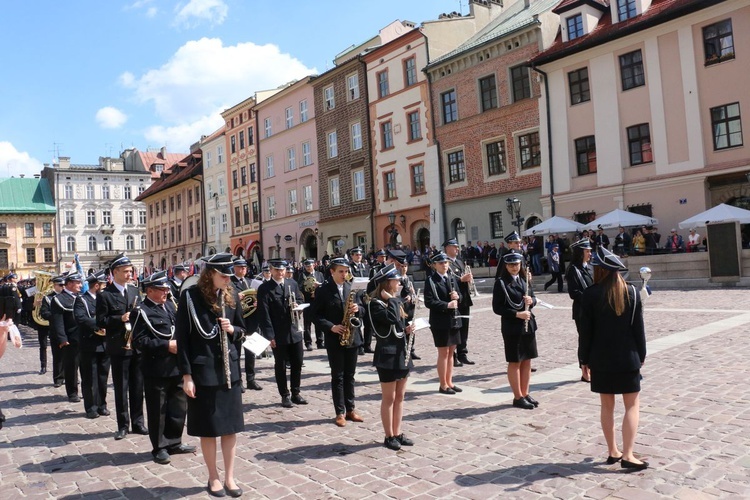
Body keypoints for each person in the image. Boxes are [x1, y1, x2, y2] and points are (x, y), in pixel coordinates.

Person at [176, 253, 246, 497]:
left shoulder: (232, 294)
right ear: (210, 274)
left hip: (229, 372)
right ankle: (213, 477)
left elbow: (242, 330)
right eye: (223, 275)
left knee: (230, 428)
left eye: (229, 275)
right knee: (208, 428)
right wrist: (187, 376)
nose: (228, 279)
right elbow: (183, 339)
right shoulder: (190, 297)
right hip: (203, 372)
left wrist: (233, 329)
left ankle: (229, 477)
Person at [579, 246, 648, 470]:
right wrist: (642, 356)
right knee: (631, 406)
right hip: (628, 357)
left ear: (599, 270)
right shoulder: (632, 292)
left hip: (600, 359)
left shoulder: (590, 294)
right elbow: (639, 330)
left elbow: (585, 332)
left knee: (607, 406)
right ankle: (628, 454)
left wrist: (584, 360)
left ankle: (613, 451)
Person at [132, 271, 196, 465]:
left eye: (167, 289)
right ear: (150, 290)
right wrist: (166, 346)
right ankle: (159, 447)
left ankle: (174, 441)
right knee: (158, 409)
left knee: (178, 407)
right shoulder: (140, 311)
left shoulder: (170, 305)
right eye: (162, 289)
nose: (166, 292)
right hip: (156, 368)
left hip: (176, 366)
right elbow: (140, 342)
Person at [96, 253, 147, 440]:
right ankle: (123, 425)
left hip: (136, 345)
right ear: (115, 272)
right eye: (125, 271)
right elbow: (101, 320)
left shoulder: (134, 291)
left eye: (130, 271)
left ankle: (138, 422)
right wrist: (120, 318)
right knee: (121, 387)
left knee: (137, 386)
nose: (129, 274)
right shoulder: (105, 295)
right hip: (119, 346)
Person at [312, 257, 365, 427]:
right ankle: (339, 412)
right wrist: (331, 327)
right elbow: (315, 315)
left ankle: (351, 409)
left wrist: (358, 309)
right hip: (335, 338)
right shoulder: (323, 290)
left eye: (346, 271)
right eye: (341, 271)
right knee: (338, 377)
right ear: (332, 272)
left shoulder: (352, 288)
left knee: (350, 375)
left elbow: (364, 308)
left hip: (352, 337)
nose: (344, 274)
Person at [368, 264, 416, 451]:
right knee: (389, 397)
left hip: (401, 352)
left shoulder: (393, 302)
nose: (399, 284)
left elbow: (398, 325)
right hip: (387, 356)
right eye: (396, 281)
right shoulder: (376, 304)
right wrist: (394, 301)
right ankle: (388, 435)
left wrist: (407, 330)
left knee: (401, 397)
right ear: (387, 283)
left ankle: (397, 432)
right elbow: (390, 320)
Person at [257, 259, 307, 408]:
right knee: (281, 365)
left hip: (294, 330)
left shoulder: (292, 283)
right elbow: (263, 314)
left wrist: (298, 304)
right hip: (278, 332)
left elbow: (299, 298)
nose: (280, 273)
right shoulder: (265, 288)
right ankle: (285, 395)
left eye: (283, 270)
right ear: (271, 270)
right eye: (277, 270)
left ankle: (296, 392)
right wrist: (269, 335)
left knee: (297, 362)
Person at [492, 250, 539, 410]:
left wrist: (531, 300)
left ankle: (525, 393)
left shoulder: (525, 280)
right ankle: (517, 396)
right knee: (515, 361)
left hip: (528, 324)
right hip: (513, 327)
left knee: (527, 360)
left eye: (517, 264)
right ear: (506, 266)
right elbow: (497, 308)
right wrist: (516, 314)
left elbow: (533, 299)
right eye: (511, 265)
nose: (514, 267)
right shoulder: (501, 283)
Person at [423, 252, 462, 394]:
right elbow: (429, 301)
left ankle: (450, 381)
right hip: (440, 321)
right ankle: (443, 384)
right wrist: (446, 305)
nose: (444, 265)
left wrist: (458, 297)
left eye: (446, 263)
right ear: (434, 265)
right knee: (443, 352)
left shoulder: (451, 277)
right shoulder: (431, 281)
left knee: (452, 352)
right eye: (441, 263)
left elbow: (460, 296)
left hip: (454, 319)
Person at [74, 271, 111, 418]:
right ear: (96, 286)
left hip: (105, 343)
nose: (106, 287)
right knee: (90, 378)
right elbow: (81, 318)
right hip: (89, 343)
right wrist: (99, 326)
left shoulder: (106, 299)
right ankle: (91, 407)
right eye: (103, 284)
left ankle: (102, 405)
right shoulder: (82, 300)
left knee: (103, 377)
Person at [50, 272, 83, 404]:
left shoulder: (80, 297)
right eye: (78, 283)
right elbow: (58, 321)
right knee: (71, 368)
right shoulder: (59, 299)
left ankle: (86, 391)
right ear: (69, 284)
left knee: (85, 367)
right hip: (70, 339)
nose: (81, 285)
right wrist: (62, 339)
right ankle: (72, 392)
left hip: (83, 338)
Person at [230, 257, 262, 392]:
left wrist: (256, 302)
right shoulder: (230, 283)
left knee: (250, 353)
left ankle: (251, 379)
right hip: (238, 321)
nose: (242, 270)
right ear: (234, 268)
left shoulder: (251, 282)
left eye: (244, 268)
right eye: (239, 267)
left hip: (251, 322)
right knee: (236, 352)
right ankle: (238, 381)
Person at [565, 238, 594, 383]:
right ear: (580, 252)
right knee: (584, 340)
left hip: (592, 310)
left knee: (593, 340)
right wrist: (590, 299)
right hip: (581, 311)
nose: (590, 253)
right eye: (587, 251)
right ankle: (584, 370)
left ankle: (592, 366)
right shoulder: (573, 270)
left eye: (590, 251)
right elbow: (574, 293)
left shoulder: (588, 267)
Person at [443, 239, 474, 366]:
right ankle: (453, 355)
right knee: (454, 328)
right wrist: (462, 279)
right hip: (454, 300)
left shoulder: (460, 262)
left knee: (464, 327)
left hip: (464, 299)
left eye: (457, 247)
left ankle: (462, 353)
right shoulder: (445, 263)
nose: (457, 249)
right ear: (447, 248)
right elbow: (449, 280)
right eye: (454, 246)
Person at [38, 275, 65, 386]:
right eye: (60, 285)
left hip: (68, 330)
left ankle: (71, 377)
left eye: (64, 285)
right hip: (56, 330)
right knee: (58, 356)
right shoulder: (48, 298)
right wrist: (56, 316)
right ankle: (58, 378)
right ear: (55, 286)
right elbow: (44, 313)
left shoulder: (69, 296)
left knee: (71, 356)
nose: (63, 287)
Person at [297, 259, 325, 350]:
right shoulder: (302, 275)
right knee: (307, 323)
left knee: (319, 321)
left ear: (314, 265)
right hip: (307, 300)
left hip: (318, 300)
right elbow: (299, 288)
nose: (309, 267)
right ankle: (308, 343)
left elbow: (324, 285)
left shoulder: (319, 274)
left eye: (310, 265)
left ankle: (320, 341)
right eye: (307, 266)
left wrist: (319, 286)